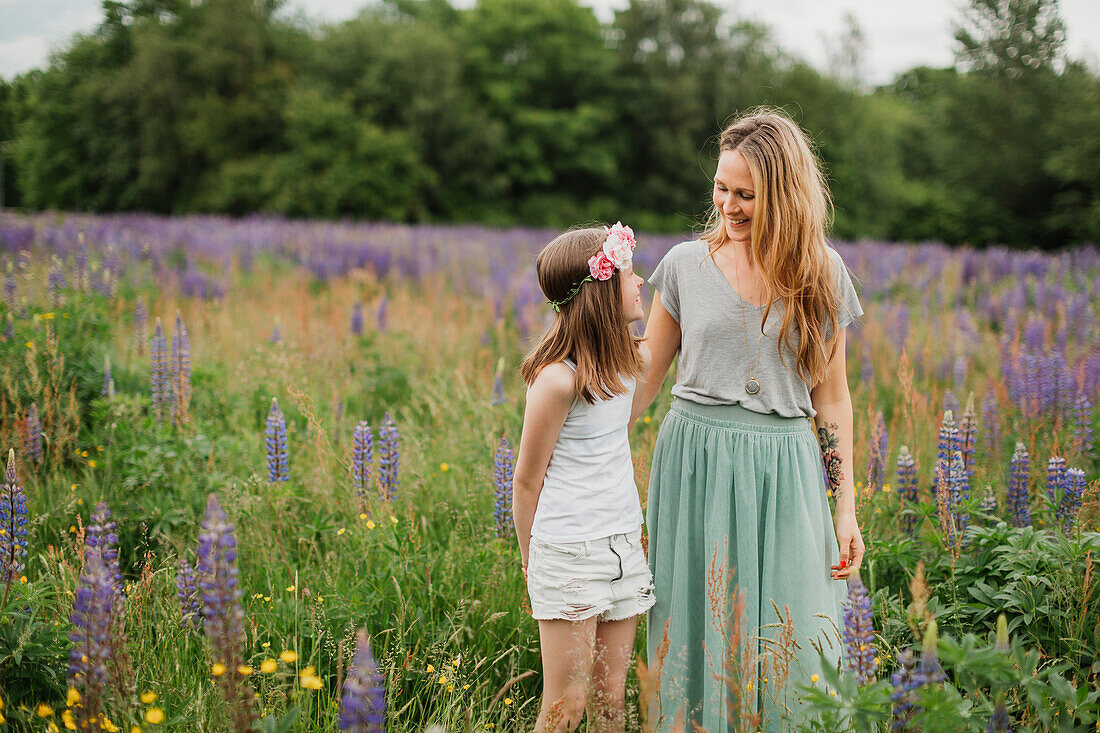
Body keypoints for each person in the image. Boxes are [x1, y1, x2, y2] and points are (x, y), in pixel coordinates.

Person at [632, 110, 866, 731]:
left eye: (746, 195)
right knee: (690, 633)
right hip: (693, 462)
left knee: (795, 637)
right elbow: (645, 378)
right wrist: (580, 432)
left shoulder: (821, 274)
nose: (727, 206)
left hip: (785, 466)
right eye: (720, 188)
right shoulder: (684, 265)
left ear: (784, 198)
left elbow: (834, 399)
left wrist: (845, 508)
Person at [512, 223, 657, 733]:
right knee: (565, 707)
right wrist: (534, 566)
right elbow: (526, 483)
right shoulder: (557, 379)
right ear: (600, 291)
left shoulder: (627, 364)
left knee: (609, 704)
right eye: (629, 274)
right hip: (569, 550)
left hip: (623, 545)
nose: (641, 282)